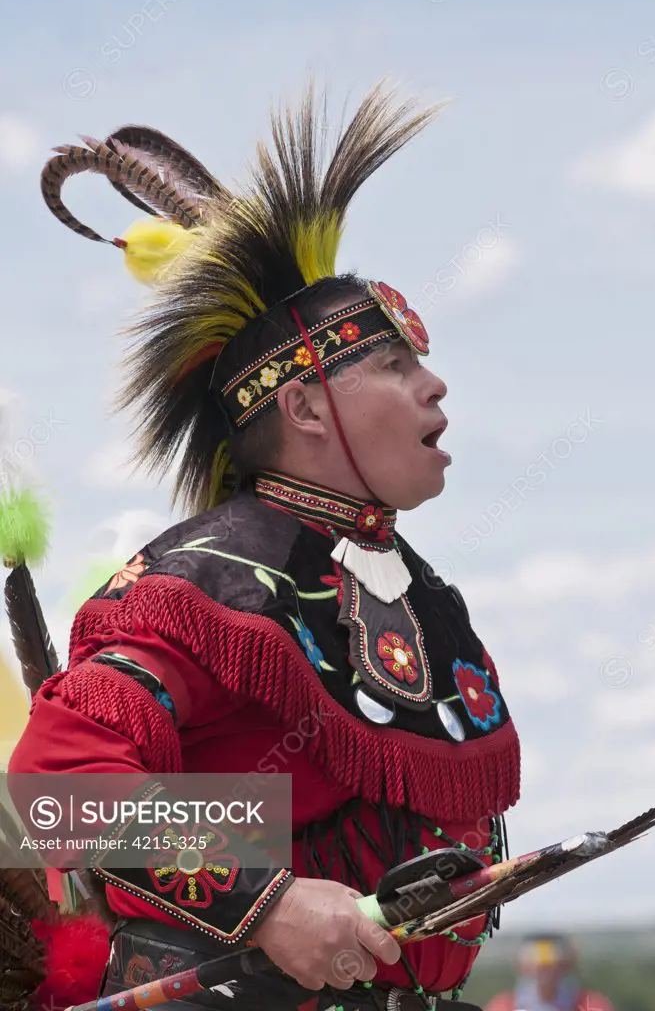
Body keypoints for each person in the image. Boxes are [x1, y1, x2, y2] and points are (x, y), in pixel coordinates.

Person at [9, 83, 521, 1010]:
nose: (437, 386)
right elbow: (58, 790)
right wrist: (271, 902)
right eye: (397, 365)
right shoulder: (206, 587)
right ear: (307, 405)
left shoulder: (415, 591)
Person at [485, 935, 615, 1011]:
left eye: (551, 961)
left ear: (566, 965)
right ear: (521, 966)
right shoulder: (503, 1006)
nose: (544, 968)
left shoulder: (590, 1005)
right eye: (536, 959)